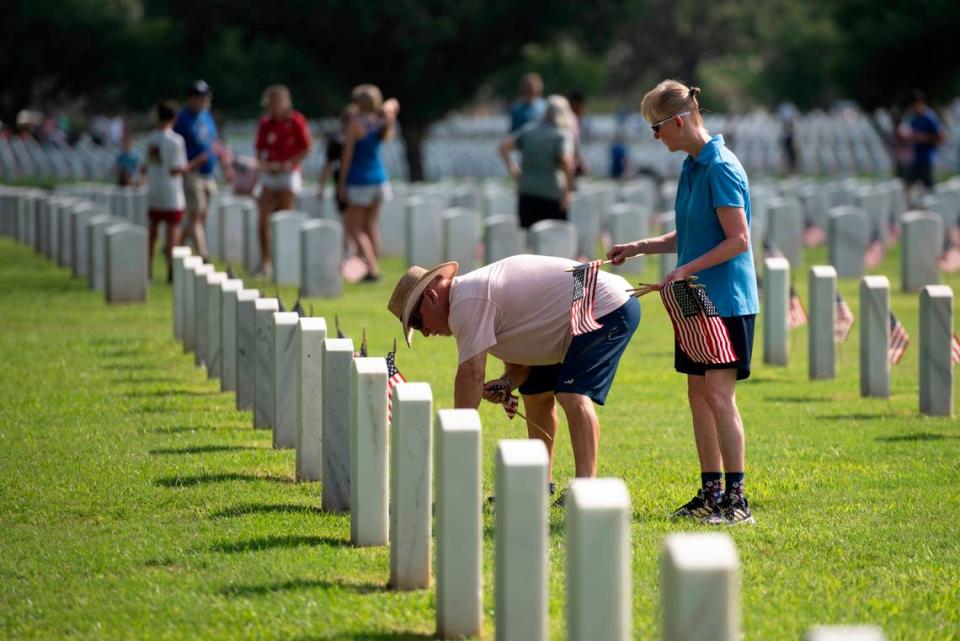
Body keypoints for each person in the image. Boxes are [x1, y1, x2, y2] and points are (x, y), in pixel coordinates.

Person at [607, 80, 759, 525]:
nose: (655, 138)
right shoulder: (692, 167)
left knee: (718, 394)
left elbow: (738, 241)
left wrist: (685, 269)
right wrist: (639, 247)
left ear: (678, 120)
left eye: (656, 128)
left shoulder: (721, 168)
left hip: (726, 299)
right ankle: (711, 492)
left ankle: (737, 500)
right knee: (697, 394)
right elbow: (691, 236)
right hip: (695, 298)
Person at [387, 254, 640, 505]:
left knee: (572, 394)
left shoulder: (466, 300)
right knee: (535, 395)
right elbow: (521, 366)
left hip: (603, 306)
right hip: (565, 324)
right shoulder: (470, 300)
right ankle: (540, 483)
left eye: (418, 323)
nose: (427, 333)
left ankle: (587, 489)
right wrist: (507, 383)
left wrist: (457, 437)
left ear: (431, 296)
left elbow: (471, 374)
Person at [338, 85, 399, 283]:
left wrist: (341, 183)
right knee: (371, 225)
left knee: (354, 227)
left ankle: (372, 268)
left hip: (359, 179)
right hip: (379, 179)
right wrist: (383, 108)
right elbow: (394, 104)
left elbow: (346, 155)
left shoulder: (355, 123)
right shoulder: (381, 120)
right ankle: (373, 264)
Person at [254, 84, 312, 278]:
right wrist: (265, 165)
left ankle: (286, 261)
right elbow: (259, 151)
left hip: (288, 173)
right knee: (263, 219)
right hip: (270, 175)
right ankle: (265, 262)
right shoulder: (265, 123)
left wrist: (288, 163)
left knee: (285, 216)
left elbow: (305, 148)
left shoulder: (296, 120)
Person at [499, 95, 576, 229]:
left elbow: (503, 148)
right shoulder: (561, 134)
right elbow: (567, 161)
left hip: (527, 192)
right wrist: (568, 192)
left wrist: (515, 172)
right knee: (553, 241)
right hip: (551, 194)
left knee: (528, 242)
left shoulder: (528, 130)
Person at [174, 80, 222, 261]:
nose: (204, 100)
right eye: (200, 97)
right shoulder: (181, 119)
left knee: (201, 217)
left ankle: (174, 246)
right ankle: (204, 255)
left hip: (209, 173)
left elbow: (212, 141)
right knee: (195, 215)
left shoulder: (207, 117)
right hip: (192, 172)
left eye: (206, 97)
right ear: (190, 99)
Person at [145, 101, 190, 283]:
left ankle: (147, 265)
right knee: (173, 233)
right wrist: (191, 166)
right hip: (172, 194)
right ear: (174, 118)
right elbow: (175, 169)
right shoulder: (176, 141)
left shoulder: (151, 139)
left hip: (155, 191)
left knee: (153, 232)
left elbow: (149, 164)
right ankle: (171, 268)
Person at [905, 90, 946, 204]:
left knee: (931, 188)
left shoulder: (930, 117)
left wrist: (925, 138)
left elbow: (941, 137)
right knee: (908, 183)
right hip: (916, 158)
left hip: (928, 158)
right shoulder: (913, 118)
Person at [319, 104, 358, 216]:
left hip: (359, 181)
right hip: (342, 183)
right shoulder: (336, 141)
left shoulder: (362, 139)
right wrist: (321, 185)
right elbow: (328, 163)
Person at [567, 90, 590, 178]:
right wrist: (582, 163)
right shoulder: (572, 120)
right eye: (583, 106)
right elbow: (574, 145)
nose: (584, 110)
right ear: (575, 104)